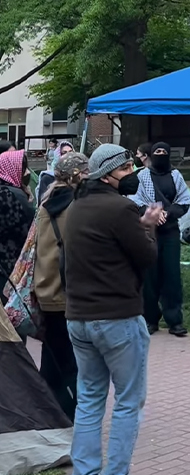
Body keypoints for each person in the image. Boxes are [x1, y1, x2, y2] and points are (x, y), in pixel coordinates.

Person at [67, 144, 168, 475]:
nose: (132, 173)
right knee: (128, 402)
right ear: (106, 174)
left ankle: (87, 470)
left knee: (90, 399)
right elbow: (147, 256)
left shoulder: (78, 206)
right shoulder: (120, 208)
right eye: (125, 169)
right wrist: (149, 224)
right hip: (117, 318)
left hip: (79, 318)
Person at [33, 150, 88, 417]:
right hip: (69, 294)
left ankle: (46, 412)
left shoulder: (45, 203)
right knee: (72, 362)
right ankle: (67, 416)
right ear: (78, 175)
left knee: (52, 359)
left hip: (45, 290)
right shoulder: (76, 206)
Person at [130, 142, 190, 337]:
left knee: (172, 276)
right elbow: (135, 199)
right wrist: (151, 214)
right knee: (150, 276)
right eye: (157, 152)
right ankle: (150, 319)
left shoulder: (176, 176)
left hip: (171, 231)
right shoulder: (142, 176)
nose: (161, 155)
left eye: (164, 152)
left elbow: (184, 201)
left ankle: (175, 320)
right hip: (148, 231)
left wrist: (167, 214)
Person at [0, 148, 33, 262]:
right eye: (23, 169)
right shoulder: (13, 195)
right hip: (11, 261)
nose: (27, 173)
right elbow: (30, 229)